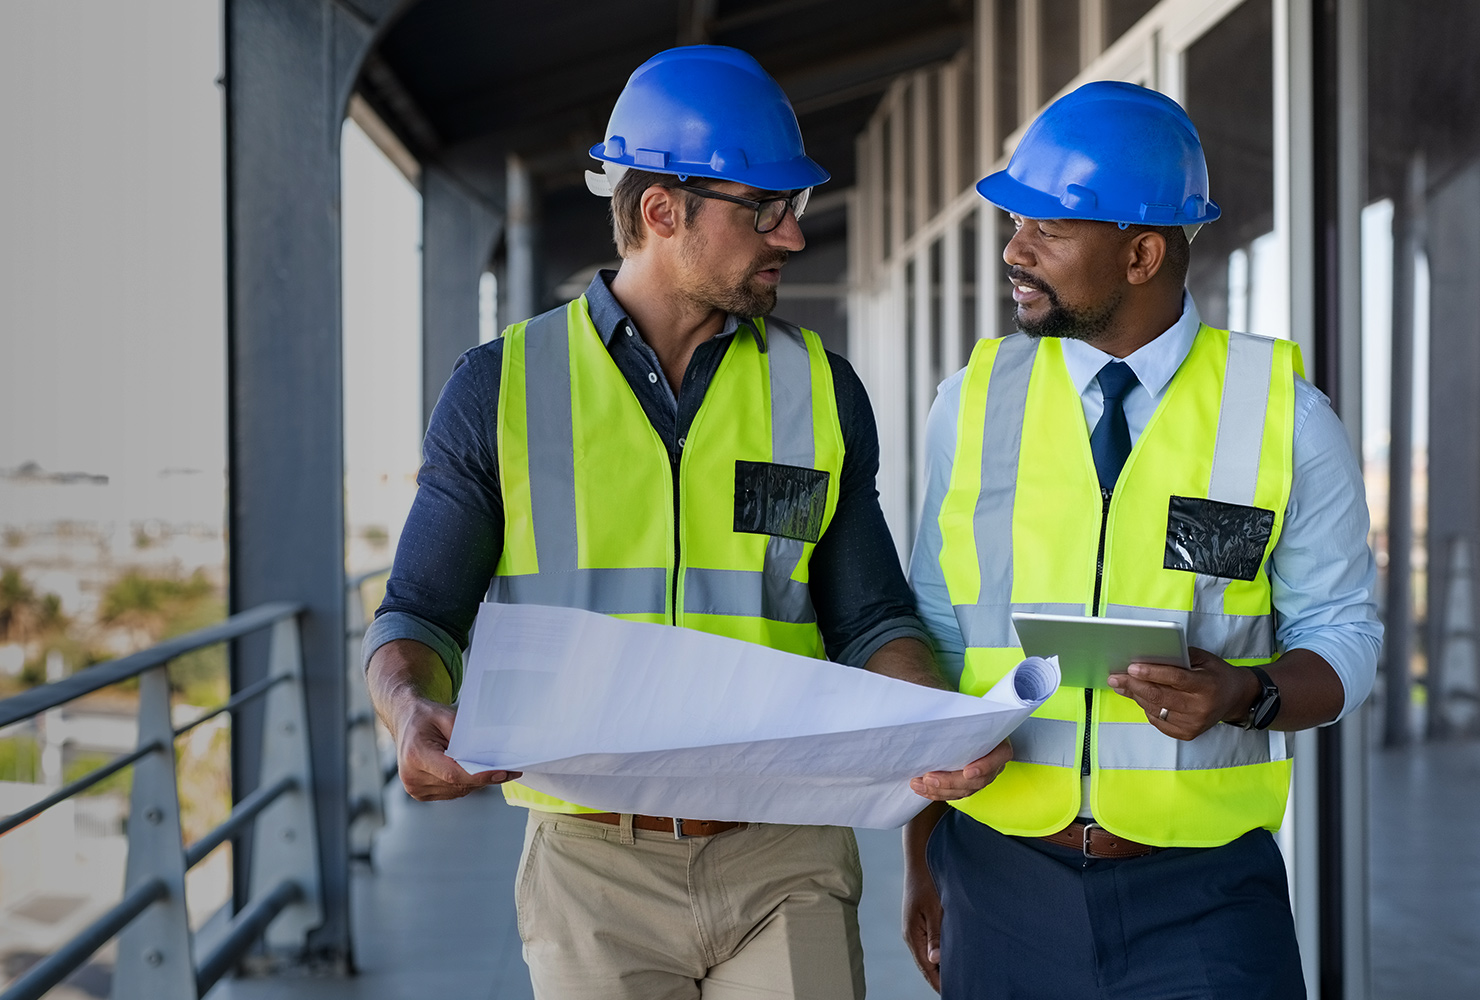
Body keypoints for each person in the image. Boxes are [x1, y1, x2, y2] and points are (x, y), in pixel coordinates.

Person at [363, 45, 1010, 1000]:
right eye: (765, 210)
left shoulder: (822, 392)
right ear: (663, 212)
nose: (791, 238)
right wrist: (410, 711)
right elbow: (417, 613)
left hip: (787, 856)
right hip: (592, 870)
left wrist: (931, 723)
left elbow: (871, 618)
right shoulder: (502, 389)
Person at [902, 81, 1383, 999]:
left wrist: (1246, 692)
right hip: (999, 877)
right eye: (1015, 221)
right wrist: (921, 858)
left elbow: (1347, 635)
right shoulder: (966, 405)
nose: (1015, 250)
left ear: (1143, 252)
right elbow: (938, 634)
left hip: (1206, 896)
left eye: (1048, 227)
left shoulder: (1284, 417)